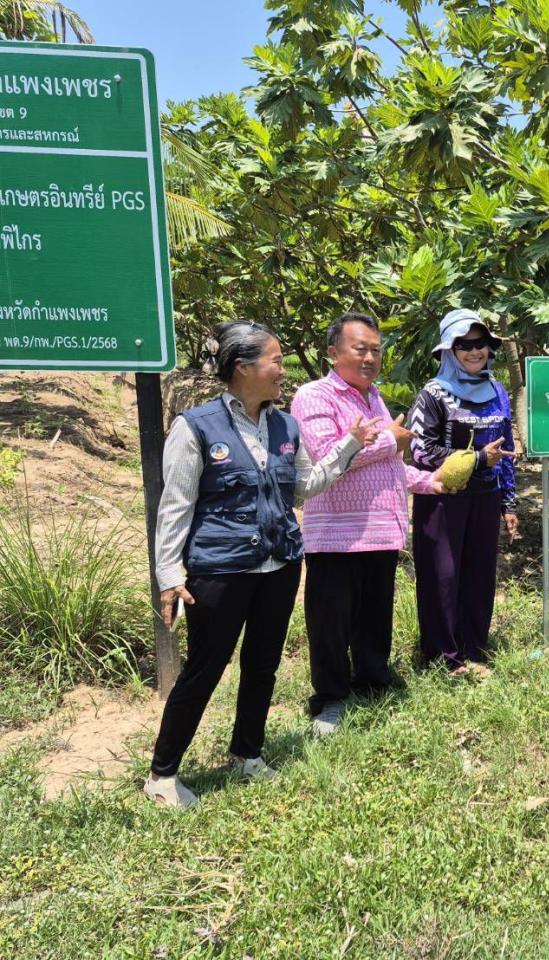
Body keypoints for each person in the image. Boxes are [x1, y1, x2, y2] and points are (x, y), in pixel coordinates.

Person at [145, 321, 383, 808]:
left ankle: (247, 753)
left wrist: (350, 444)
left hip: (279, 564)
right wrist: (169, 574)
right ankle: (162, 774)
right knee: (204, 669)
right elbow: (175, 506)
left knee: (262, 665)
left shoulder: (284, 426)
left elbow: (303, 487)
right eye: (275, 361)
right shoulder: (195, 427)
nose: (283, 370)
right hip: (220, 569)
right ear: (243, 367)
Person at [290, 312, 443, 738]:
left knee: (375, 616)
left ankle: (373, 683)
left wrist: (428, 481)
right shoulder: (313, 396)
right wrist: (391, 440)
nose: (370, 358)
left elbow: (388, 465)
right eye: (361, 349)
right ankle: (330, 698)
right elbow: (326, 458)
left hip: (381, 531)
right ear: (333, 352)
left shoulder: (374, 397)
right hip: (336, 534)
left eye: (376, 350)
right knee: (331, 621)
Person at [407, 308, 518, 670]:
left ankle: (474, 647)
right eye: (464, 345)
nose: (475, 351)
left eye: (481, 343)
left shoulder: (498, 391)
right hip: (443, 499)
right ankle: (444, 657)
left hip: (486, 497)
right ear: (449, 351)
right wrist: (476, 459)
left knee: (480, 574)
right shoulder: (433, 394)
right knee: (443, 576)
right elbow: (420, 450)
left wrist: (509, 502)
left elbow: (506, 450)